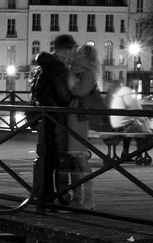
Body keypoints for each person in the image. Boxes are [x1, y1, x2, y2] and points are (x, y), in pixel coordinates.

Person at [32, 34, 77, 204]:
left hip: (44, 118)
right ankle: (54, 196)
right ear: (66, 49)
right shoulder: (57, 68)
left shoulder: (42, 66)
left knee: (47, 158)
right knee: (57, 159)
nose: (74, 53)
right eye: (73, 49)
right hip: (56, 119)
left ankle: (45, 195)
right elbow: (64, 96)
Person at [66, 45, 100, 210]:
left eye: (79, 53)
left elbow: (78, 91)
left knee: (79, 159)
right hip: (73, 117)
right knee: (74, 160)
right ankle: (77, 197)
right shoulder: (80, 70)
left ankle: (88, 199)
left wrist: (70, 78)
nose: (76, 54)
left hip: (79, 119)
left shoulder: (87, 73)